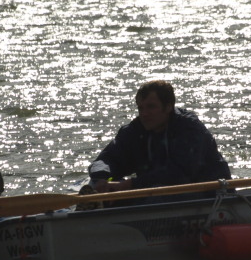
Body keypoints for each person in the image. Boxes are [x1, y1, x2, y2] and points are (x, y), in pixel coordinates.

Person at [88, 80, 231, 193]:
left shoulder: (189, 128)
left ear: (168, 107)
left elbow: (179, 174)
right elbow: (107, 159)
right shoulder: (134, 130)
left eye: (151, 107)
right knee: (94, 184)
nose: (144, 114)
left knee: (154, 200)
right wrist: (102, 178)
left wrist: (130, 184)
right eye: (140, 108)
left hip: (206, 195)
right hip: (156, 194)